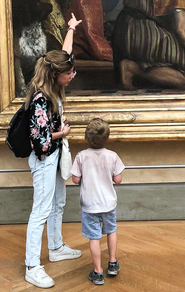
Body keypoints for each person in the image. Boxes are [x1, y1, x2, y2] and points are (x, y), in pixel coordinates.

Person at [23, 14, 83, 289]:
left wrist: (71, 28)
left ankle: (56, 247)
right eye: (68, 73)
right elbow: (41, 142)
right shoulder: (40, 99)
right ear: (55, 74)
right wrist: (63, 133)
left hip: (56, 156)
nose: (72, 75)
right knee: (41, 211)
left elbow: (65, 54)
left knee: (58, 203)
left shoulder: (54, 82)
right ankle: (32, 266)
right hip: (45, 159)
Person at [70, 118, 125, 285]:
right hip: (108, 203)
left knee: (94, 237)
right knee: (111, 230)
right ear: (107, 138)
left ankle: (98, 271)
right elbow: (118, 180)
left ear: (86, 137)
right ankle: (113, 263)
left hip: (89, 204)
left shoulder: (81, 156)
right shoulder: (112, 156)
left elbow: (74, 179)